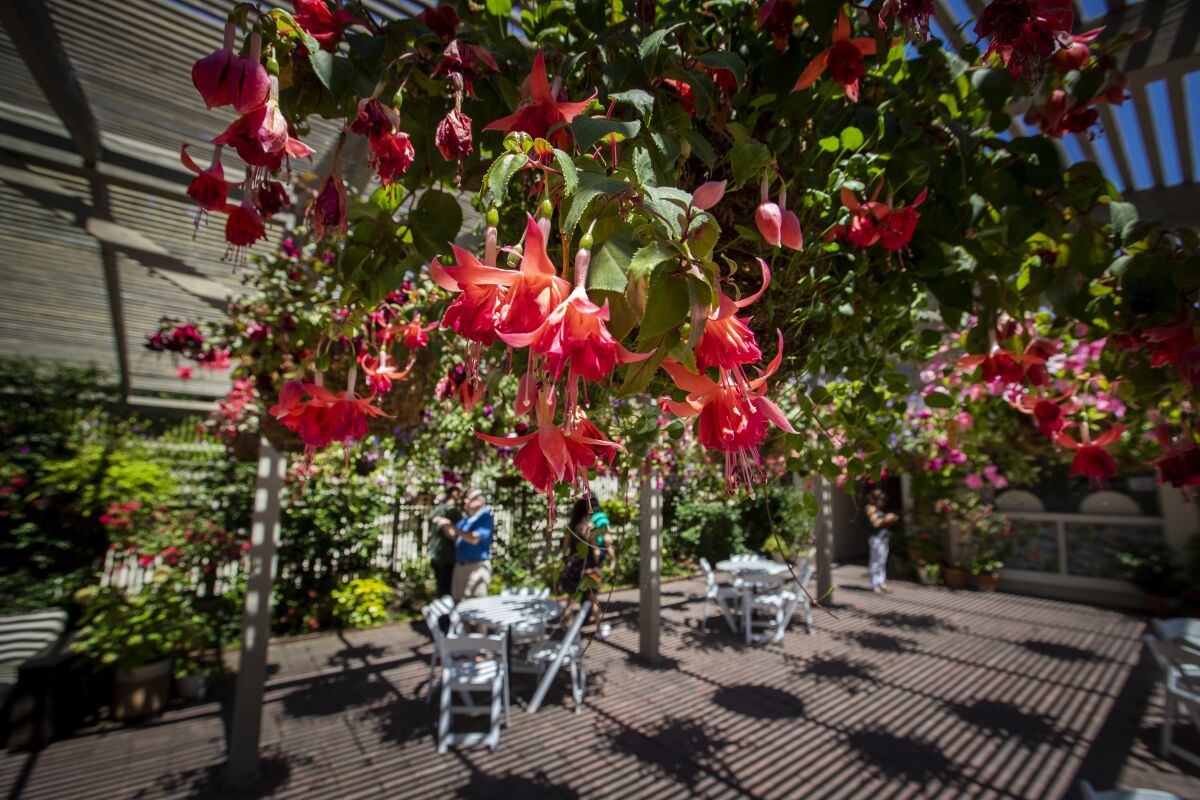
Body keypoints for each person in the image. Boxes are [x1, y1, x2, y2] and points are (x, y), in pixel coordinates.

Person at [559, 497, 610, 639]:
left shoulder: (571, 526)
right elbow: (596, 550)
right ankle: (599, 629)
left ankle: (566, 627)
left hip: (573, 565)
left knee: (571, 598)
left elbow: (564, 548)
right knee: (592, 599)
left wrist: (566, 559)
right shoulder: (589, 526)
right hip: (588, 566)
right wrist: (598, 562)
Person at [433, 488, 495, 602]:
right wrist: (445, 525)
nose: (465, 501)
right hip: (461, 566)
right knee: (458, 604)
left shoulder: (485, 518)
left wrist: (452, 526)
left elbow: (473, 539)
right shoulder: (467, 519)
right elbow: (455, 537)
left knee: (475, 606)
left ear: (480, 502)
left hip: (476, 567)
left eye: (469, 499)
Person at [426, 486, 462, 598]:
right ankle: (445, 614)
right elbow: (449, 531)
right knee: (447, 589)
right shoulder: (452, 511)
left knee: (440, 587)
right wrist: (457, 542)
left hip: (435, 553)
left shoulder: (438, 509)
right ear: (455, 494)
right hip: (447, 555)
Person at [865, 487, 899, 594]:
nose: (883, 501)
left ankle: (882, 583)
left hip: (883, 537)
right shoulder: (870, 508)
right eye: (881, 498)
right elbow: (875, 523)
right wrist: (886, 519)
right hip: (876, 538)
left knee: (882, 561)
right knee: (875, 562)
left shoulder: (879, 509)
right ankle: (875, 584)